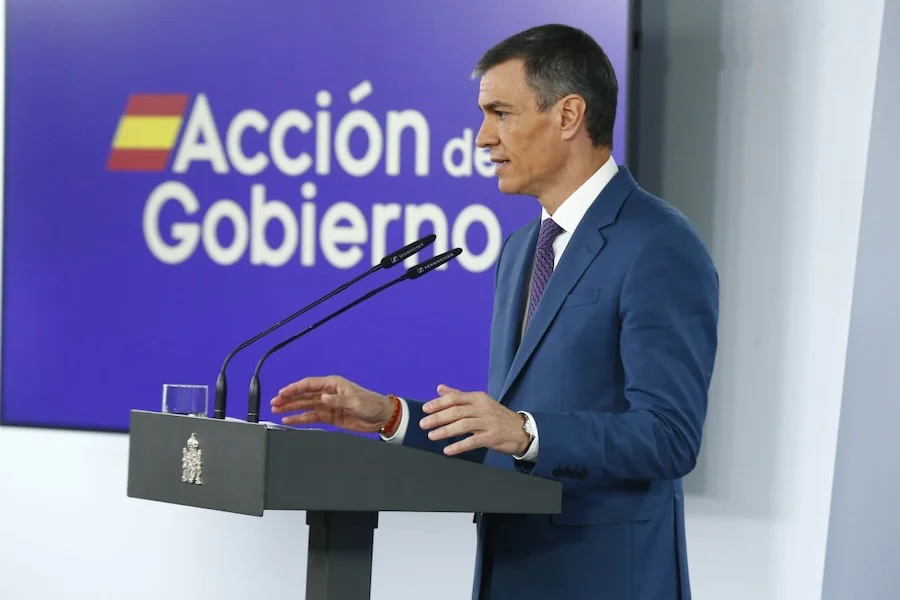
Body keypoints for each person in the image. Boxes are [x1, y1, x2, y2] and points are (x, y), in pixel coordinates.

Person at [271, 23, 719, 600]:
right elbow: (504, 435)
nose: (483, 138)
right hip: (509, 569)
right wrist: (389, 416)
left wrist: (527, 431)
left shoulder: (657, 244)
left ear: (568, 115)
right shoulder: (522, 249)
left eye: (500, 113)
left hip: (605, 578)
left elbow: (669, 436)